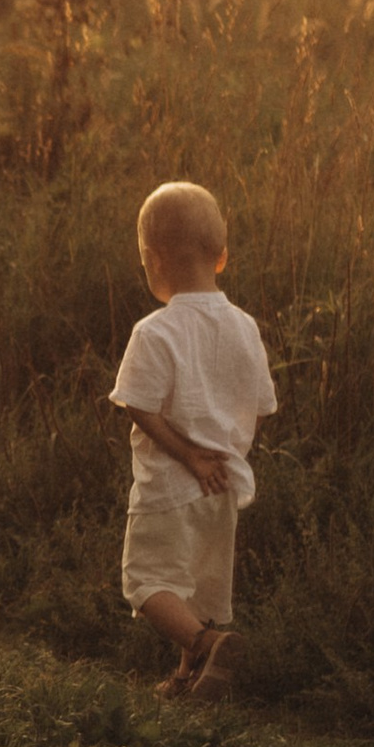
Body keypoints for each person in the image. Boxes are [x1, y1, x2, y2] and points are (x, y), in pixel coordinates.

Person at [109, 177, 277, 702]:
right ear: (221, 257)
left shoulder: (155, 332)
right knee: (201, 586)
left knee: (146, 582)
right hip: (225, 481)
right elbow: (261, 406)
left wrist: (186, 454)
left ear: (152, 260)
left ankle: (206, 644)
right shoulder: (245, 327)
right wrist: (223, 452)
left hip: (170, 485)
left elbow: (139, 403)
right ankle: (187, 679)